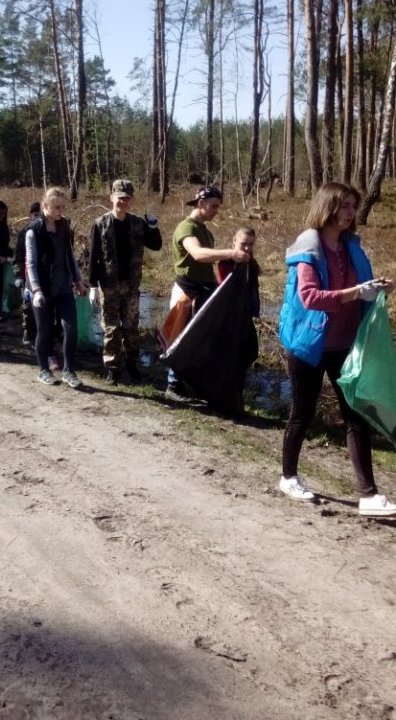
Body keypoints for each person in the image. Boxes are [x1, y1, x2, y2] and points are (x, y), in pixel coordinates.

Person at [278, 181, 396, 517]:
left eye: (353, 206)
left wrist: (377, 288)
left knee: (356, 416)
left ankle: (369, 495)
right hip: (308, 344)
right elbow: (310, 297)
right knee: (302, 414)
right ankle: (288, 476)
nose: (350, 212)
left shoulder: (349, 247)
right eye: (345, 205)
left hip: (345, 344)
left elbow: (358, 289)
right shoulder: (309, 247)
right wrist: (357, 292)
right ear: (328, 206)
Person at [165, 185, 249, 402]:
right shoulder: (186, 228)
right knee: (183, 338)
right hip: (187, 290)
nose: (216, 211)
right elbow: (198, 254)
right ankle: (173, 386)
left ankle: (191, 384)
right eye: (213, 206)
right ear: (201, 204)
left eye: (218, 206)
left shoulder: (205, 231)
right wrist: (231, 253)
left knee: (199, 339)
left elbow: (207, 265)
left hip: (203, 289)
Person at [88, 178, 162, 385]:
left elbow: (156, 245)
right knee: (111, 329)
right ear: (112, 197)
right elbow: (94, 255)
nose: (123, 202)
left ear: (132, 200)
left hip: (131, 286)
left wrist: (154, 227)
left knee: (130, 328)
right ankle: (113, 369)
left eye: (127, 198)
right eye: (120, 198)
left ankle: (132, 364)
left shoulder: (138, 223)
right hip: (109, 286)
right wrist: (92, 285)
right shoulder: (100, 224)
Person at [25, 187, 87, 388]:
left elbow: (70, 255)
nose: (60, 210)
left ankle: (69, 371)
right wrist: (36, 290)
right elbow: (31, 263)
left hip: (64, 287)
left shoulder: (64, 226)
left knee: (71, 329)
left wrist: (78, 280)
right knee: (44, 331)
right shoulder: (34, 231)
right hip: (42, 288)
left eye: (62, 206)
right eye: (56, 207)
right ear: (45, 206)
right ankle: (43, 369)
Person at [217, 226, 261, 317]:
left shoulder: (251, 262)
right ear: (234, 240)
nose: (247, 248)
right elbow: (224, 290)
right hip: (228, 310)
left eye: (251, 244)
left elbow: (258, 273)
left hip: (246, 309)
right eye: (243, 244)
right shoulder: (226, 262)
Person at [13, 201, 41, 346]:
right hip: (27, 275)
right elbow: (18, 257)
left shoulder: (46, 231)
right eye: (35, 214)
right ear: (30, 215)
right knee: (28, 307)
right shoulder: (24, 233)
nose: (37, 217)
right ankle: (28, 331)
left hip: (43, 276)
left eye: (40, 214)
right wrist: (19, 276)